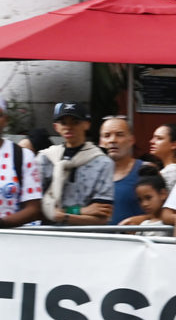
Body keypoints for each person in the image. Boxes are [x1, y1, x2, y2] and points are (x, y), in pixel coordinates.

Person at [37, 102, 114, 226]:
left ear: (86, 124)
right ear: (56, 127)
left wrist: (64, 214)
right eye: (63, 123)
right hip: (48, 235)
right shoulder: (45, 159)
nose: (69, 127)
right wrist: (81, 211)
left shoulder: (102, 162)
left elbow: (102, 217)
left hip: (86, 237)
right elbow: (35, 207)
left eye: (75, 122)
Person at [0, 96, 43, 229]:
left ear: (6, 120)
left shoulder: (22, 156)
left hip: (14, 240)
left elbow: (34, 209)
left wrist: (2, 223)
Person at [99, 116, 147, 224]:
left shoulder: (145, 170)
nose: (112, 140)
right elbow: (68, 210)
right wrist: (81, 211)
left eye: (119, 135)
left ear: (131, 140)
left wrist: (140, 220)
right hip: (95, 239)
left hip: (133, 239)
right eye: (107, 136)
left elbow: (162, 213)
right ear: (101, 142)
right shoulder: (90, 173)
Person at [149, 123, 176, 190]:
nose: (151, 141)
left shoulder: (174, 171)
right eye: (153, 138)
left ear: (174, 145)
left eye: (159, 138)